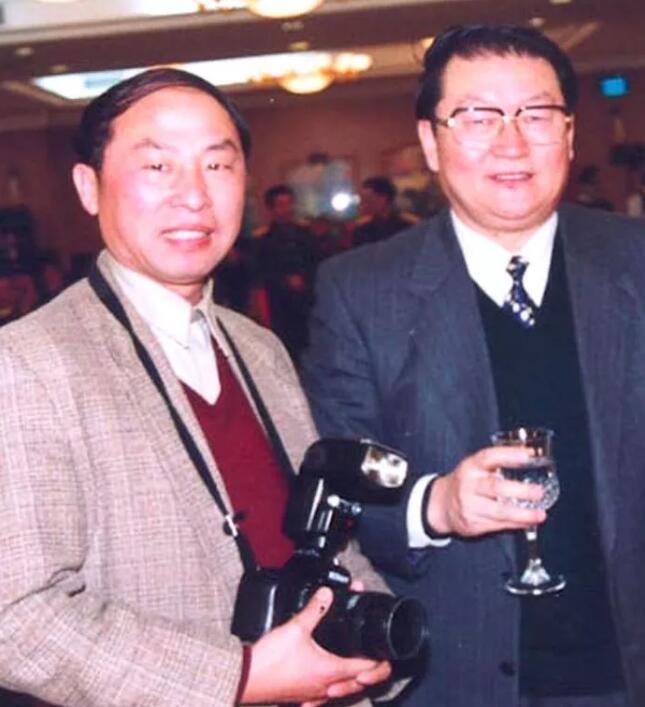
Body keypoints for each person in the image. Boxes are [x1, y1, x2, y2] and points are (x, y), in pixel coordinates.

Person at [0, 68, 396, 706]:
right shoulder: (27, 363)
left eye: (217, 166)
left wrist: (370, 644)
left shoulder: (260, 349)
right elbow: (16, 616)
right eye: (158, 166)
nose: (194, 196)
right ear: (88, 187)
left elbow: (322, 539)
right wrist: (240, 678)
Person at [302, 23, 645, 707]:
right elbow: (336, 489)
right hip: (455, 676)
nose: (511, 143)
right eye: (478, 117)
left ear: (569, 135)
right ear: (431, 142)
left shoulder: (634, 261)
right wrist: (436, 504)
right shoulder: (359, 292)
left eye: (535, 115)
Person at [253, 184, 317, 364]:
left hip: (306, 301)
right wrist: (285, 280)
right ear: (271, 209)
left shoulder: (306, 235)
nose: (287, 209)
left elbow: (317, 263)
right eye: (281, 205)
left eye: (289, 204)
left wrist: (305, 279)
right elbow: (261, 272)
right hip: (279, 303)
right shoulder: (263, 240)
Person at [351, 176, 417, 247]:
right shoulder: (363, 229)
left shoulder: (407, 225)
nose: (363, 204)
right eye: (362, 200)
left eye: (368, 199)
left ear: (383, 198)